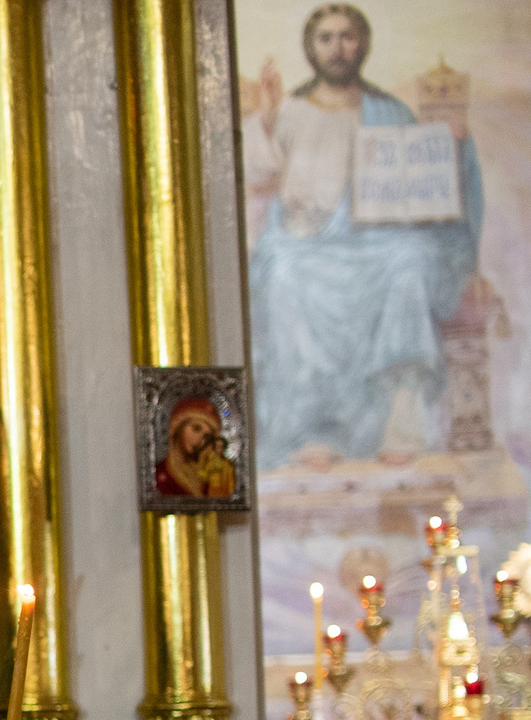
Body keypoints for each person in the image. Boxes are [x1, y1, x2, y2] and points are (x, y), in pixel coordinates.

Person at [242, 3, 481, 469]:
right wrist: (267, 120)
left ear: (363, 45)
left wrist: (454, 144)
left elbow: (426, 184)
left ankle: (400, 427)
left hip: (376, 243)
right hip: (306, 241)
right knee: (285, 276)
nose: (337, 48)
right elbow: (257, 174)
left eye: (347, 37)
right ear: (311, 48)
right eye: (326, 38)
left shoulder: (389, 112)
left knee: (411, 260)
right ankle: (310, 431)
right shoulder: (289, 110)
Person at [153, 395, 238, 500]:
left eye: (207, 436)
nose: (200, 440)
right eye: (196, 428)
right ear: (177, 427)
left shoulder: (213, 477)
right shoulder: (157, 476)